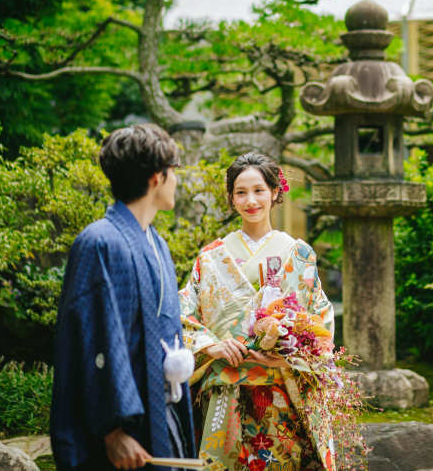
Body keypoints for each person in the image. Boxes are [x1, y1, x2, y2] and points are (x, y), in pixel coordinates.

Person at [51, 124, 195, 471]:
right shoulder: (99, 242)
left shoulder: (156, 243)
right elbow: (92, 341)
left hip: (160, 412)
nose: (177, 180)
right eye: (174, 170)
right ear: (157, 178)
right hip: (121, 428)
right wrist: (112, 431)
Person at [179, 152, 336, 471]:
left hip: (282, 388)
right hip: (226, 387)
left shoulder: (298, 254)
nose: (250, 200)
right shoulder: (210, 258)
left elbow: (320, 319)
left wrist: (290, 356)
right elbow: (182, 315)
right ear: (231, 198)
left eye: (259, 190)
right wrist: (212, 346)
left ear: (275, 192)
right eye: (241, 192)